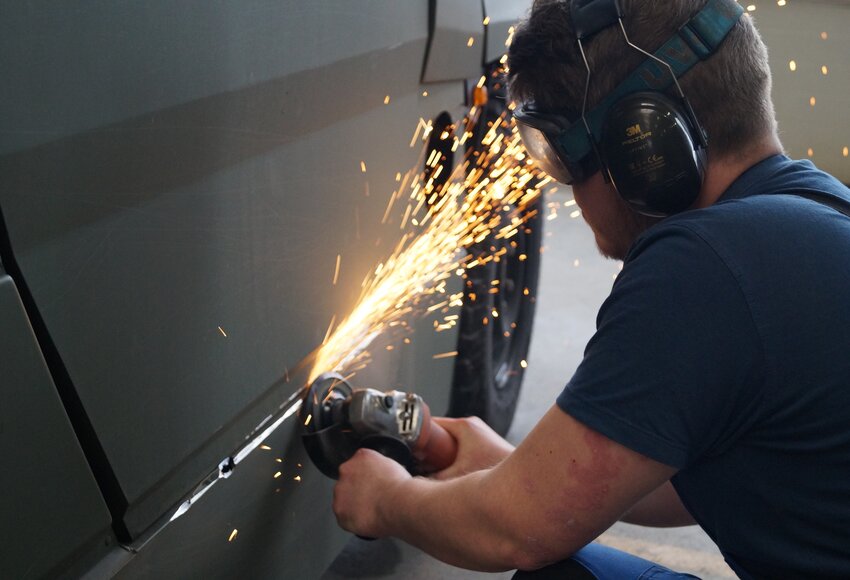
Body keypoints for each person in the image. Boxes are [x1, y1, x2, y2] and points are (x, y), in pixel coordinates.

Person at [331, 0, 850, 578]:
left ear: (642, 147)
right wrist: (520, 471)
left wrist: (386, 499)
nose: (569, 195)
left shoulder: (702, 265)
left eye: (560, 154)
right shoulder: (818, 209)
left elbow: (514, 533)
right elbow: (713, 473)